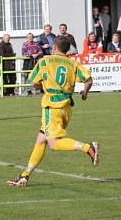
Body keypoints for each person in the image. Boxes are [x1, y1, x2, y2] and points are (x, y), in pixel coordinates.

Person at [6, 36, 100, 187]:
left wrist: (40, 86)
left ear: (54, 47)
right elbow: (89, 80)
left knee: (53, 143)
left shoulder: (45, 61)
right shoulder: (73, 63)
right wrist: (84, 93)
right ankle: (25, 175)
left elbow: (33, 82)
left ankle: (88, 147)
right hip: (67, 108)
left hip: (52, 107)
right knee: (41, 139)